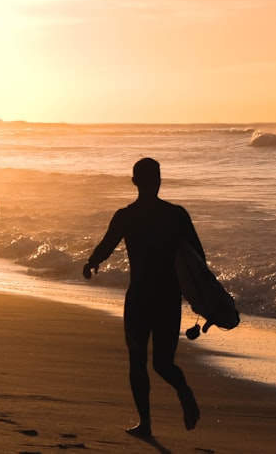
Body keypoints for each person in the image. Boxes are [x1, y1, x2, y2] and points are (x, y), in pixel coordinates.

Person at [82, 157, 204, 438]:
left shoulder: (126, 216)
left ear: (134, 181)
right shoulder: (176, 215)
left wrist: (91, 263)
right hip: (168, 299)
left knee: (137, 360)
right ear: (159, 180)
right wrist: (203, 298)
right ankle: (183, 391)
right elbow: (198, 258)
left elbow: (106, 245)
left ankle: (146, 423)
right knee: (163, 363)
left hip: (139, 298)